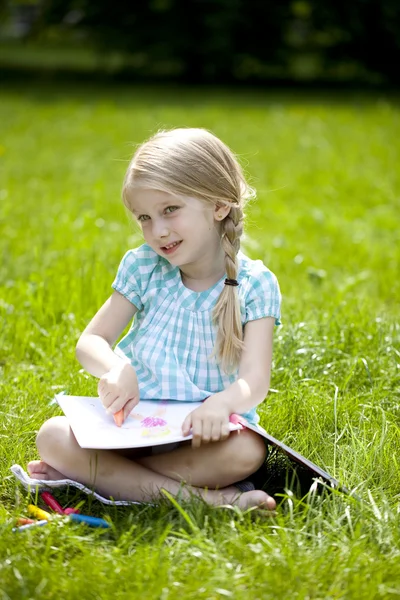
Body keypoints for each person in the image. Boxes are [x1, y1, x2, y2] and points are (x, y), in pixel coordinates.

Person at [28, 127, 281, 511]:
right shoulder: (145, 266)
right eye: (144, 217)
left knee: (247, 451)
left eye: (170, 210)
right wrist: (115, 368)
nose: (157, 231)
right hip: (133, 429)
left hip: (206, 437)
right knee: (52, 435)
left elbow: (255, 381)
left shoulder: (255, 284)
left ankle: (100, 475)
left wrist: (221, 403)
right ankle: (208, 502)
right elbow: (91, 342)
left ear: (218, 205)